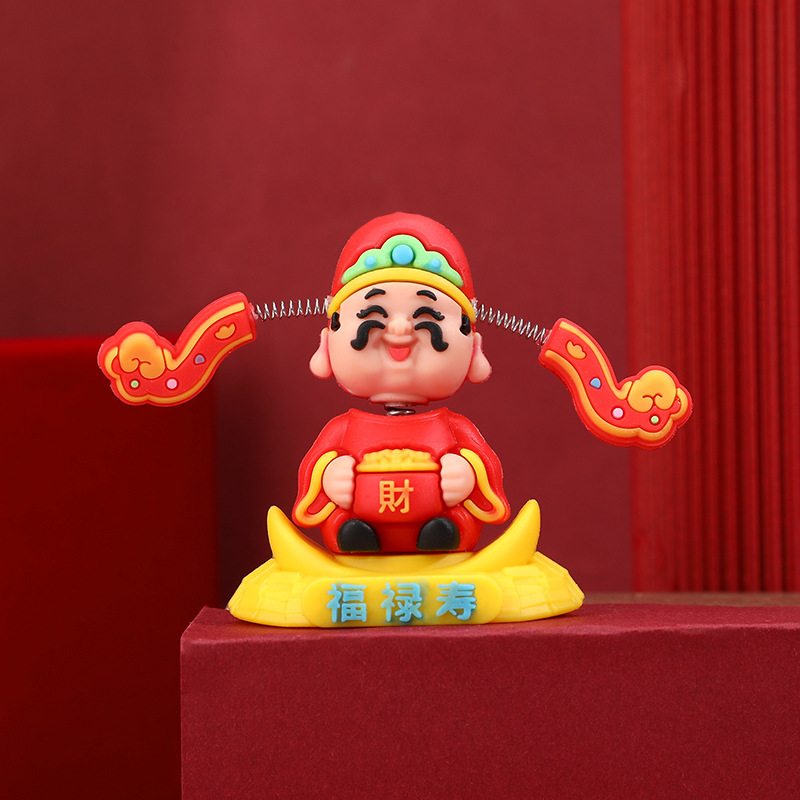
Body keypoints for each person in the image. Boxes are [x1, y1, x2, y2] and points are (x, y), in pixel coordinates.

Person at [292, 212, 510, 554]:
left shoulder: (455, 431)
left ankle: (444, 535)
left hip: (439, 526)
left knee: (454, 521)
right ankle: (354, 536)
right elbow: (313, 474)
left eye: (427, 315)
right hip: (359, 523)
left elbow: (487, 470)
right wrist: (330, 475)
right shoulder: (342, 432)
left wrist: (467, 474)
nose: (399, 330)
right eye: (373, 313)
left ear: (473, 346)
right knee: (342, 521)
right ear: (327, 341)